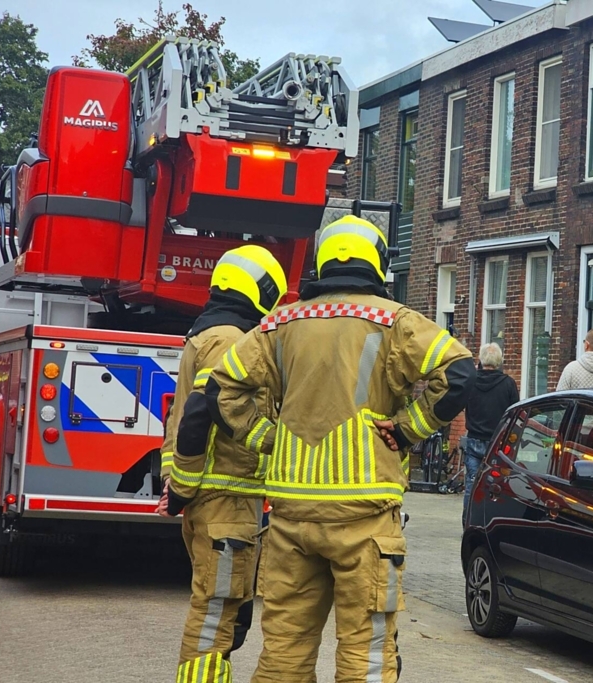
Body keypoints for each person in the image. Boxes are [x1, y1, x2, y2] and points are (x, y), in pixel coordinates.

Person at [177, 214, 475, 683]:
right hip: (364, 516)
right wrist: (408, 430)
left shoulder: (281, 323)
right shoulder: (393, 321)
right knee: (366, 654)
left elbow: (220, 389)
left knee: (284, 655)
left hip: (292, 517)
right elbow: (458, 374)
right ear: (376, 262)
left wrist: (266, 440)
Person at [157, 245, 288, 683]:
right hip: (224, 501)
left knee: (227, 611)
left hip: (221, 504)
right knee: (216, 614)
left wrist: (181, 488)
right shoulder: (230, 340)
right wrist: (183, 489)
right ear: (262, 290)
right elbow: (199, 415)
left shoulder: (207, 333)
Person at [461, 343, 519, 524]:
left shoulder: (470, 382)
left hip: (474, 440)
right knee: (499, 485)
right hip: (498, 443)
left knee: (472, 482)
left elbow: (464, 405)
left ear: (480, 360)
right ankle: (495, 521)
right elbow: (515, 413)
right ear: (500, 362)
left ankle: (469, 521)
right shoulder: (508, 384)